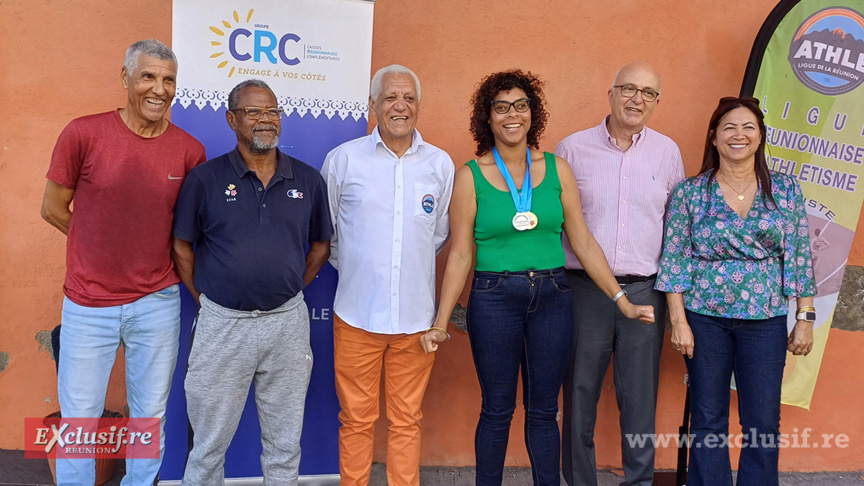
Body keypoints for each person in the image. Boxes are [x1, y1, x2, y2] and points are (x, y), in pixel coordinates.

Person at [424, 70, 654, 486]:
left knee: (544, 411)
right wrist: (441, 322)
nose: (513, 115)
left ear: (533, 113)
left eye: (521, 105)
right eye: (501, 107)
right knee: (497, 409)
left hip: (552, 296)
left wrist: (622, 300)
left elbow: (583, 242)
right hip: (494, 297)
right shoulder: (469, 176)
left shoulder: (557, 169)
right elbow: (460, 255)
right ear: (488, 117)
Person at [40, 39, 206, 485]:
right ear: (126, 79)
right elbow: (54, 208)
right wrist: (95, 247)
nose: (159, 89)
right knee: (80, 418)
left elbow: (184, 230)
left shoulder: (189, 151)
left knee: (149, 415)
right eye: (149, 76)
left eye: (168, 79)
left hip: (157, 302)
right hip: (87, 303)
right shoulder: (83, 133)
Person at [172, 79, 332, 485]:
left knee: (283, 446)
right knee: (208, 447)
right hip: (222, 325)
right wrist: (208, 299)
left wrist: (293, 287)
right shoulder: (204, 180)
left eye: (273, 111)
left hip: (287, 326)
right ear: (231, 119)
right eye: (254, 111)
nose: (266, 120)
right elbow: (181, 249)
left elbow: (319, 247)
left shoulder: (309, 180)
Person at [655, 96, 816, 486]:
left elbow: (799, 256)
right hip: (704, 319)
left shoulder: (786, 191)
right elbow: (674, 258)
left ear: (760, 137)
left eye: (748, 127)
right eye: (729, 127)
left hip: (765, 321)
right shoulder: (690, 193)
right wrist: (679, 321)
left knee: (762, 418)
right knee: (708, 415)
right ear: (713, 138)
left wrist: (805, 319)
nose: (738, 135)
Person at [320, 64, 454, 486]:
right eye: (391, 98)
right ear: (373, 105)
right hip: (357, 315)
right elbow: (329, 235)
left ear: (418, 106)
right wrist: (365, 270)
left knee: (406, 421)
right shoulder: (343, 160)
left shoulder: (440, 164)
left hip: (416, 321)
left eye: (409, 98)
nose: (400, 106)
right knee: (356, 420)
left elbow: (437, 235)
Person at [554, 62, 685, 486]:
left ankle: (640, 482)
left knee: (640, 400)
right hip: (584, 291)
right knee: (579, 396)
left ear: (656, 102)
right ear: (609, 93)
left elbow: (677, 228)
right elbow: (558, 221)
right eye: (629, 89)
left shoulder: (667, 152)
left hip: (646, 292)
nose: (637, 99)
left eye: (648, 93)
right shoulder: (572, 149)